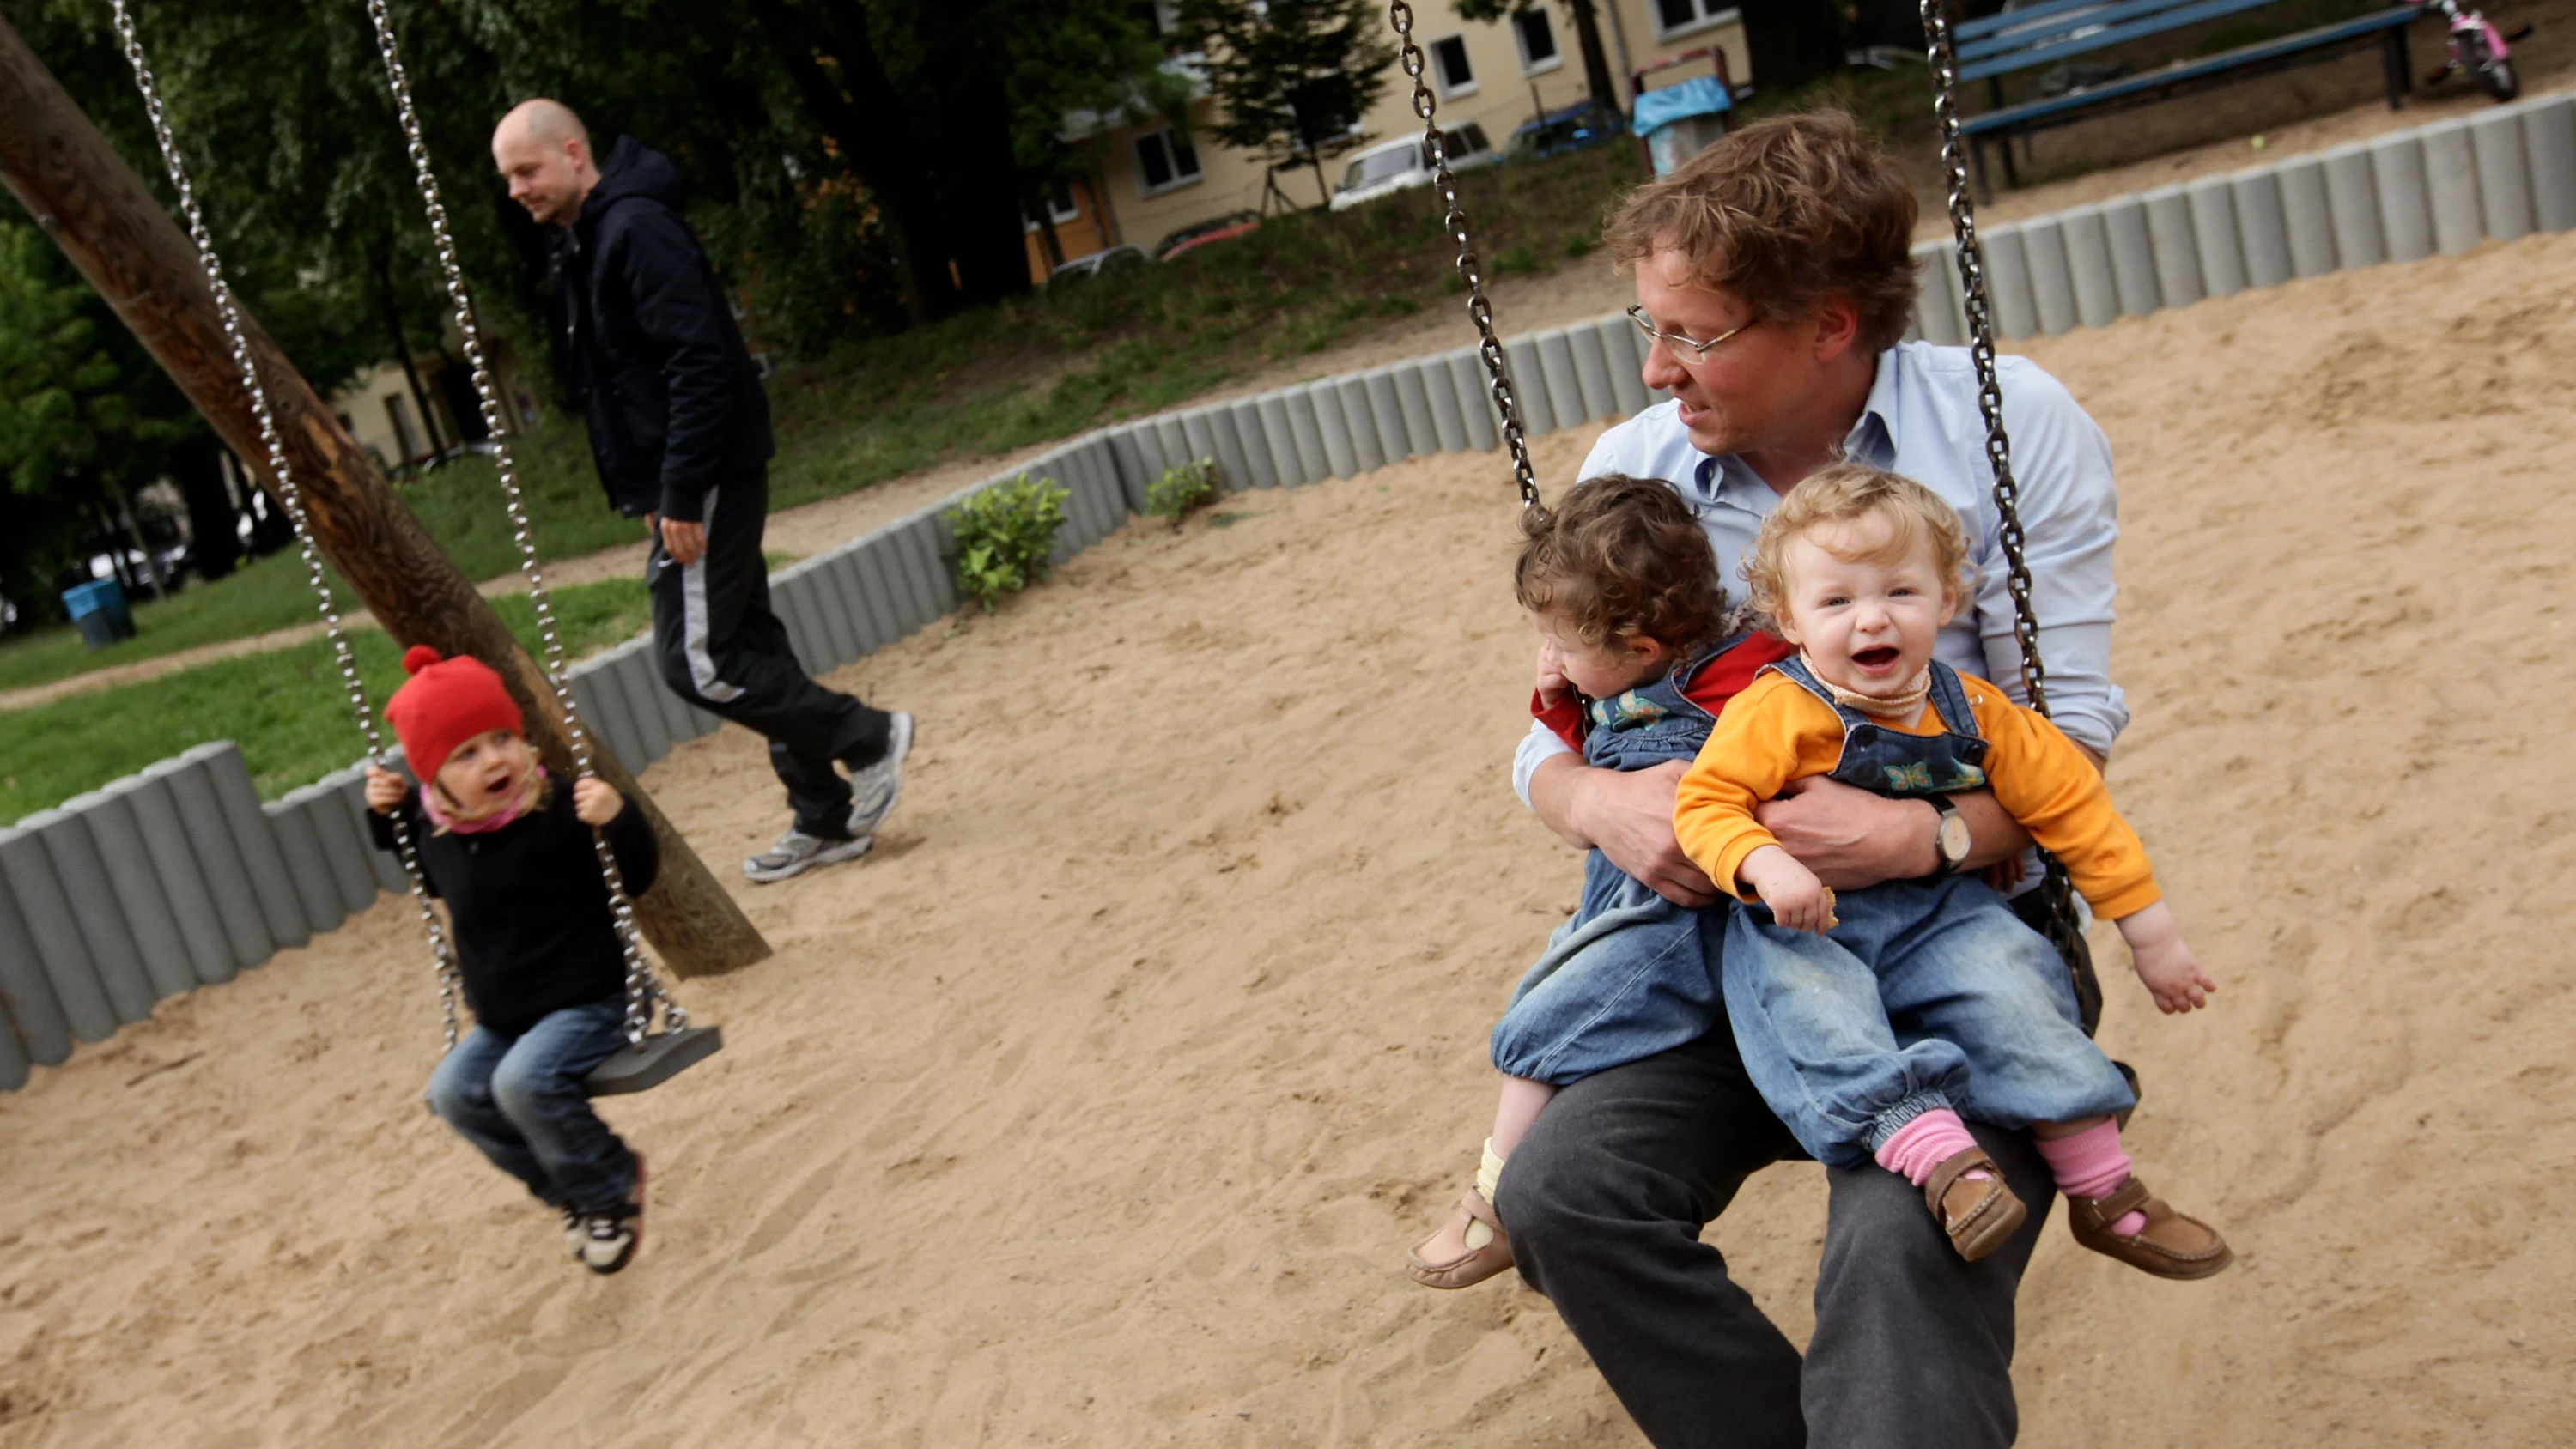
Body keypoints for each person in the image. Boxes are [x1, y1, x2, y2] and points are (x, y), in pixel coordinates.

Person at [1495, 112, 2136, 1448]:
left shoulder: (2009, 428)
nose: (1658, 366)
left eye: (1696, 333)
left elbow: (2069, 733)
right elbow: (1552, 730)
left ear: (1830, 324)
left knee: (1907, 1247)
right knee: (1563, 1195)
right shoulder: (1640, 472)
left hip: (1965, 938)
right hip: (1723, 949)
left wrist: (1919, 840)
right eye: (1649, 325)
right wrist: (1595, 803)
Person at [1674, 463, 2230, 1276]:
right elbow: (1706, 803)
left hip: (1938, 911)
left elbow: (2075, 809)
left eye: (1900, 592)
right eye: (1836, 602)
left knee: (2018, 985)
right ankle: (1942, 1161)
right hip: (1808, 922)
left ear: (1945, 601)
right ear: (1789, 621)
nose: (1871, 619)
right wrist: (1762, 862)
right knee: (1807, 1011)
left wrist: (2153, 937)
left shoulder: (1978, 710)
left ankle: (2105, 1190)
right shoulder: (1774, 710)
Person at [490, 98, 912, 883]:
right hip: (683, 476)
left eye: (527, 169)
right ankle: (824, 820)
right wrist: (652, 487)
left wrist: (682, 489)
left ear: (575, 154)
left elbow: (700, 366)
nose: (516, 189)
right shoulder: (585, 239)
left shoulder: (634, 229)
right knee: (750, 646)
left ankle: (869, 737)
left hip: (707, 472)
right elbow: (623, 378)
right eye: (508, 177)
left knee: (701, 661)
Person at [1407, 475, 1791, 1289]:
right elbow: (1589, 739)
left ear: (1642, 650)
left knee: (1535, 1028)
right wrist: (1559, 701)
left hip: (1686, 919)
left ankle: (1495, 1195)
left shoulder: (1753, 678)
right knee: (1559, 981)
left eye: (1564, 648)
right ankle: (1509, 1186)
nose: (1552, 660)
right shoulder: (1625, 677)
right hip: (1617, 901)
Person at [364, 646, 659, 1274]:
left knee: (519, 1083)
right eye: (466, 754)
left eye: (501, 738)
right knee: (453, 1094)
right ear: (434, 779)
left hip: (595, 998)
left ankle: (609, 1182)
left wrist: (618, 818)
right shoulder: (435, 827)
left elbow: (634, 876)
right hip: (508, 1018)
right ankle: (572, 1196)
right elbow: (428, 874)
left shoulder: (557, 809)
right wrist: (382, 812)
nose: (493, 759)